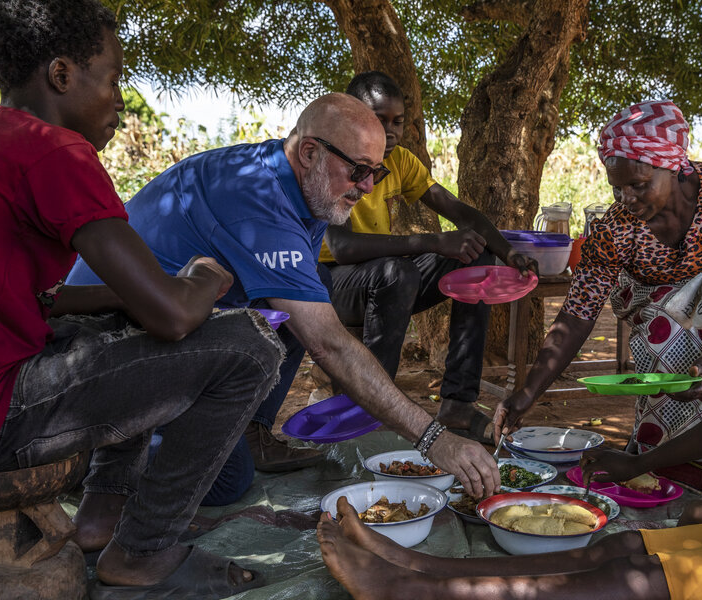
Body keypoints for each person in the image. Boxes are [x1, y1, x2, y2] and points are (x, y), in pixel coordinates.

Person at [317, 231, 702, 599]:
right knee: (620, 547)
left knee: (633, 579)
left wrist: (698, 509)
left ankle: (412, 592)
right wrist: (638, 461)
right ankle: (425, 571)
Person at [0, 1, 281, 597]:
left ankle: (102, 511)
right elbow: (172, 316)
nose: (121, 97)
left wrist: (123, 298)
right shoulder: (55, 153)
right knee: (250, 345)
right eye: (114, 78)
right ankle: (142, 553)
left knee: (119, 317)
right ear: (62, 75)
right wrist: (203, 278)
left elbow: (37, 299)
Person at [67, 92, 501, 505]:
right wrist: (433, 439)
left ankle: (249, 430)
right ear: (310, 152)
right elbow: (328, 344)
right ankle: (91, 463)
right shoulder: (257, 200)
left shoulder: (302, 185)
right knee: (228, 480)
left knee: (312, 289)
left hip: (175, 328)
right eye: (358, 171)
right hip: (107, 350)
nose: (368, 188)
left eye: (377, 172)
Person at [494, 100, 702, 491]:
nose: (625, 198)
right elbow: (577, 314)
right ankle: (670, 465)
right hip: (655, 308)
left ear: (674, 166)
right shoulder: (613, 230)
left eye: (638, 185)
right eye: (617, 187)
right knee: (670, 331)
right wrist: (527, 393)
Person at [316, 71, 537, 444]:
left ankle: (458, 406)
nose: (390, 131)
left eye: (397, 122)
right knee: (396, 272)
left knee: (476, 256)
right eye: (378, 119)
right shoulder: (333, 160)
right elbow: (342, 248)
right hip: (331, 285)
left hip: (383, 277)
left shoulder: (400, 162)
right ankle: (372, 411)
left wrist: (509, 253)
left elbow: (461, 212)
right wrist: (431, 241)